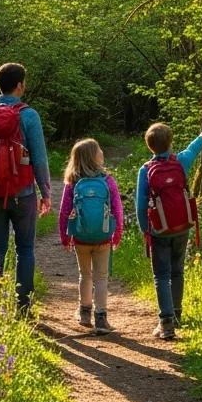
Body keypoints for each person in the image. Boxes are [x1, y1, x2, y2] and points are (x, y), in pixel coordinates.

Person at [0, 62, 51, 312]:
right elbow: (39, 158)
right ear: (19, 85)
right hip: (22, 193)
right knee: (25, 249)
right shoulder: (29, 115)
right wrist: (45, 192)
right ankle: (23, 306)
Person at [135, 123, 202, 340]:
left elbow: (141, 204)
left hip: (159, 229)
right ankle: (176, 314)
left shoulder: (145, 170)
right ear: (171, 142)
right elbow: (192, 150)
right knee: (177, 271)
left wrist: (145, 229)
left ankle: (166, 323)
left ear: (149, 146)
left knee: (161, 275)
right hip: (182, 225)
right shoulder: (180, 162)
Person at [58, 138, 124, 335]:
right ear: (95, 157)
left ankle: (85, 313)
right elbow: (118, 210)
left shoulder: (73, 182)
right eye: (99, 150)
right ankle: (101, 319)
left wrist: (65, 237)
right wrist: (117, 234)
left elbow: (64, 211)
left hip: (80, 237)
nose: (102, 152)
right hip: (103, 236)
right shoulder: (108, 180)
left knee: (85, 274)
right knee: (101, 277)